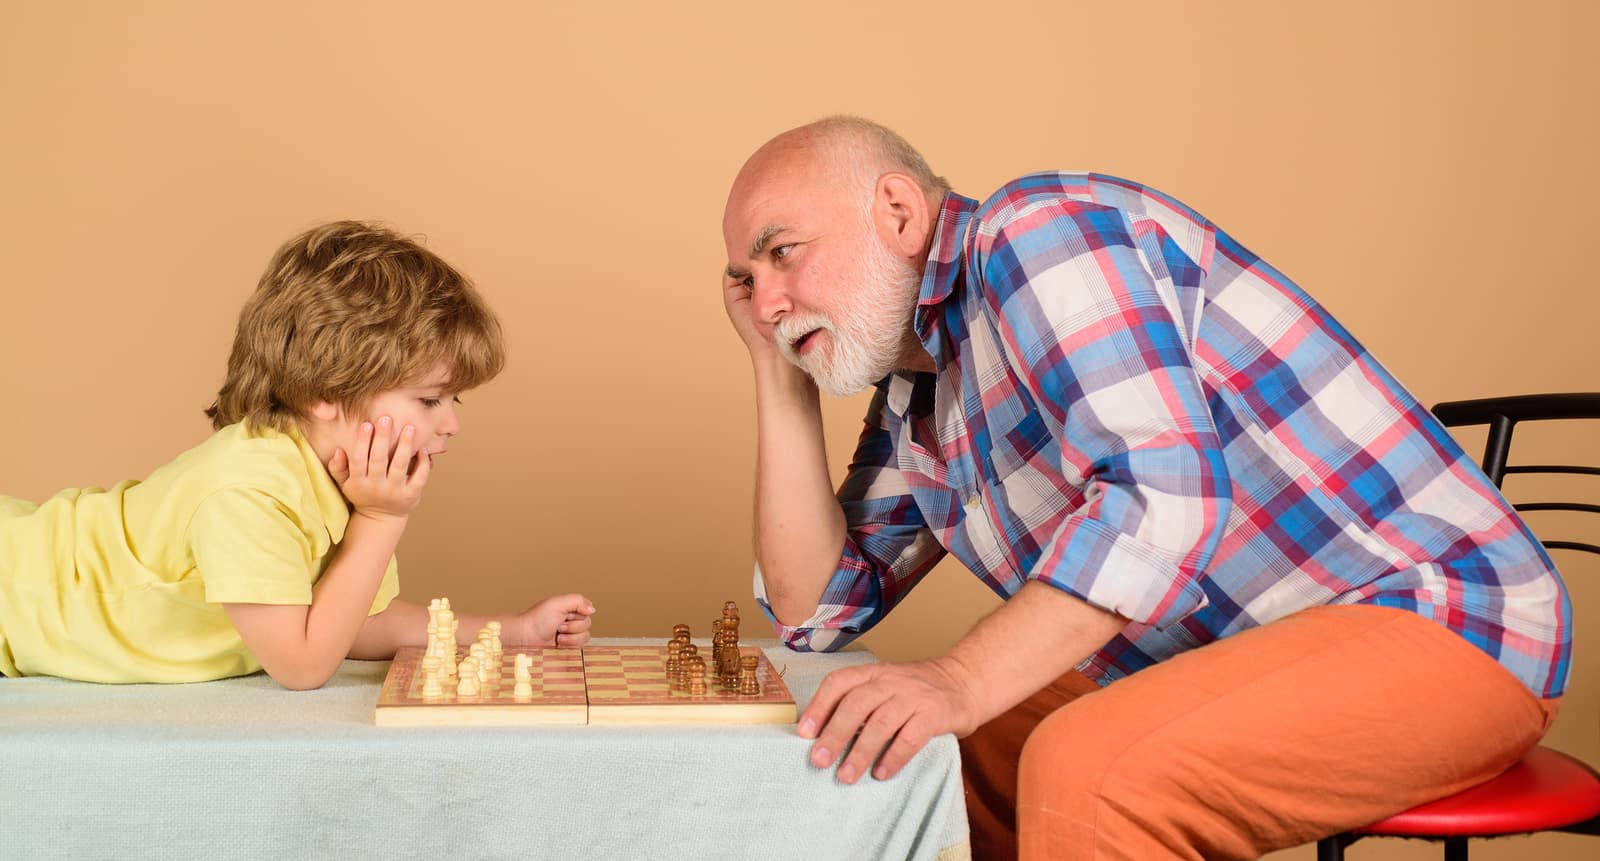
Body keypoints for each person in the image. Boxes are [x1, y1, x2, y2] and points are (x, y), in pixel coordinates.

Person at [720, 116, 1570, 860]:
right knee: (938, 756)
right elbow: (815, 612)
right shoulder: (919, 397)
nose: (765, 300)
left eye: (782, 252)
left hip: (1441, 620)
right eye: (747, 281)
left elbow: (1165, 499)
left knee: (1086, 766)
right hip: (1230, 653)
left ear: (898, 212)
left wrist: (958, 676)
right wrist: (777, 367)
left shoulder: (1037, 231)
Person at [0, 221, 594, 689]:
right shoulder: (250, 489)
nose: (454, 424)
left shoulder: (332, 482)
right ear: (324, 394)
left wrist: (513, 631)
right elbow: (304, 664)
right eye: (430, 400)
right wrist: (383, 520)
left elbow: (351, 623)